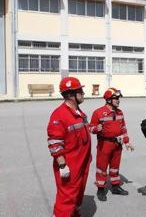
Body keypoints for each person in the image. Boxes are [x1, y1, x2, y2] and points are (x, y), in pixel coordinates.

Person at [47, 77, 91, 217]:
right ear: (71, 95)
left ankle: (73, 213)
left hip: (82, 162)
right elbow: (54, 142)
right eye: (81, 91)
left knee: (78, 192)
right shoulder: (59, 115)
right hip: (70, 165)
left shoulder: (78, 112)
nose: (83, 93)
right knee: (67, 197)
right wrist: (62, 165)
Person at [90, 87, 134, 201]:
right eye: (116, 98)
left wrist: (127, 141)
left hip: (117, 144)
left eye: (118, 98)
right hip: (104, 144)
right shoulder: (98, 112)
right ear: (109, 100)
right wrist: (96, 128)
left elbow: (123, 127)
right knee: (102, 168)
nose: (118, 100)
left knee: (115, 167)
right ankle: (101, 189)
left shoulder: (120, 112)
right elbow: (90, 127)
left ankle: (115, 187)